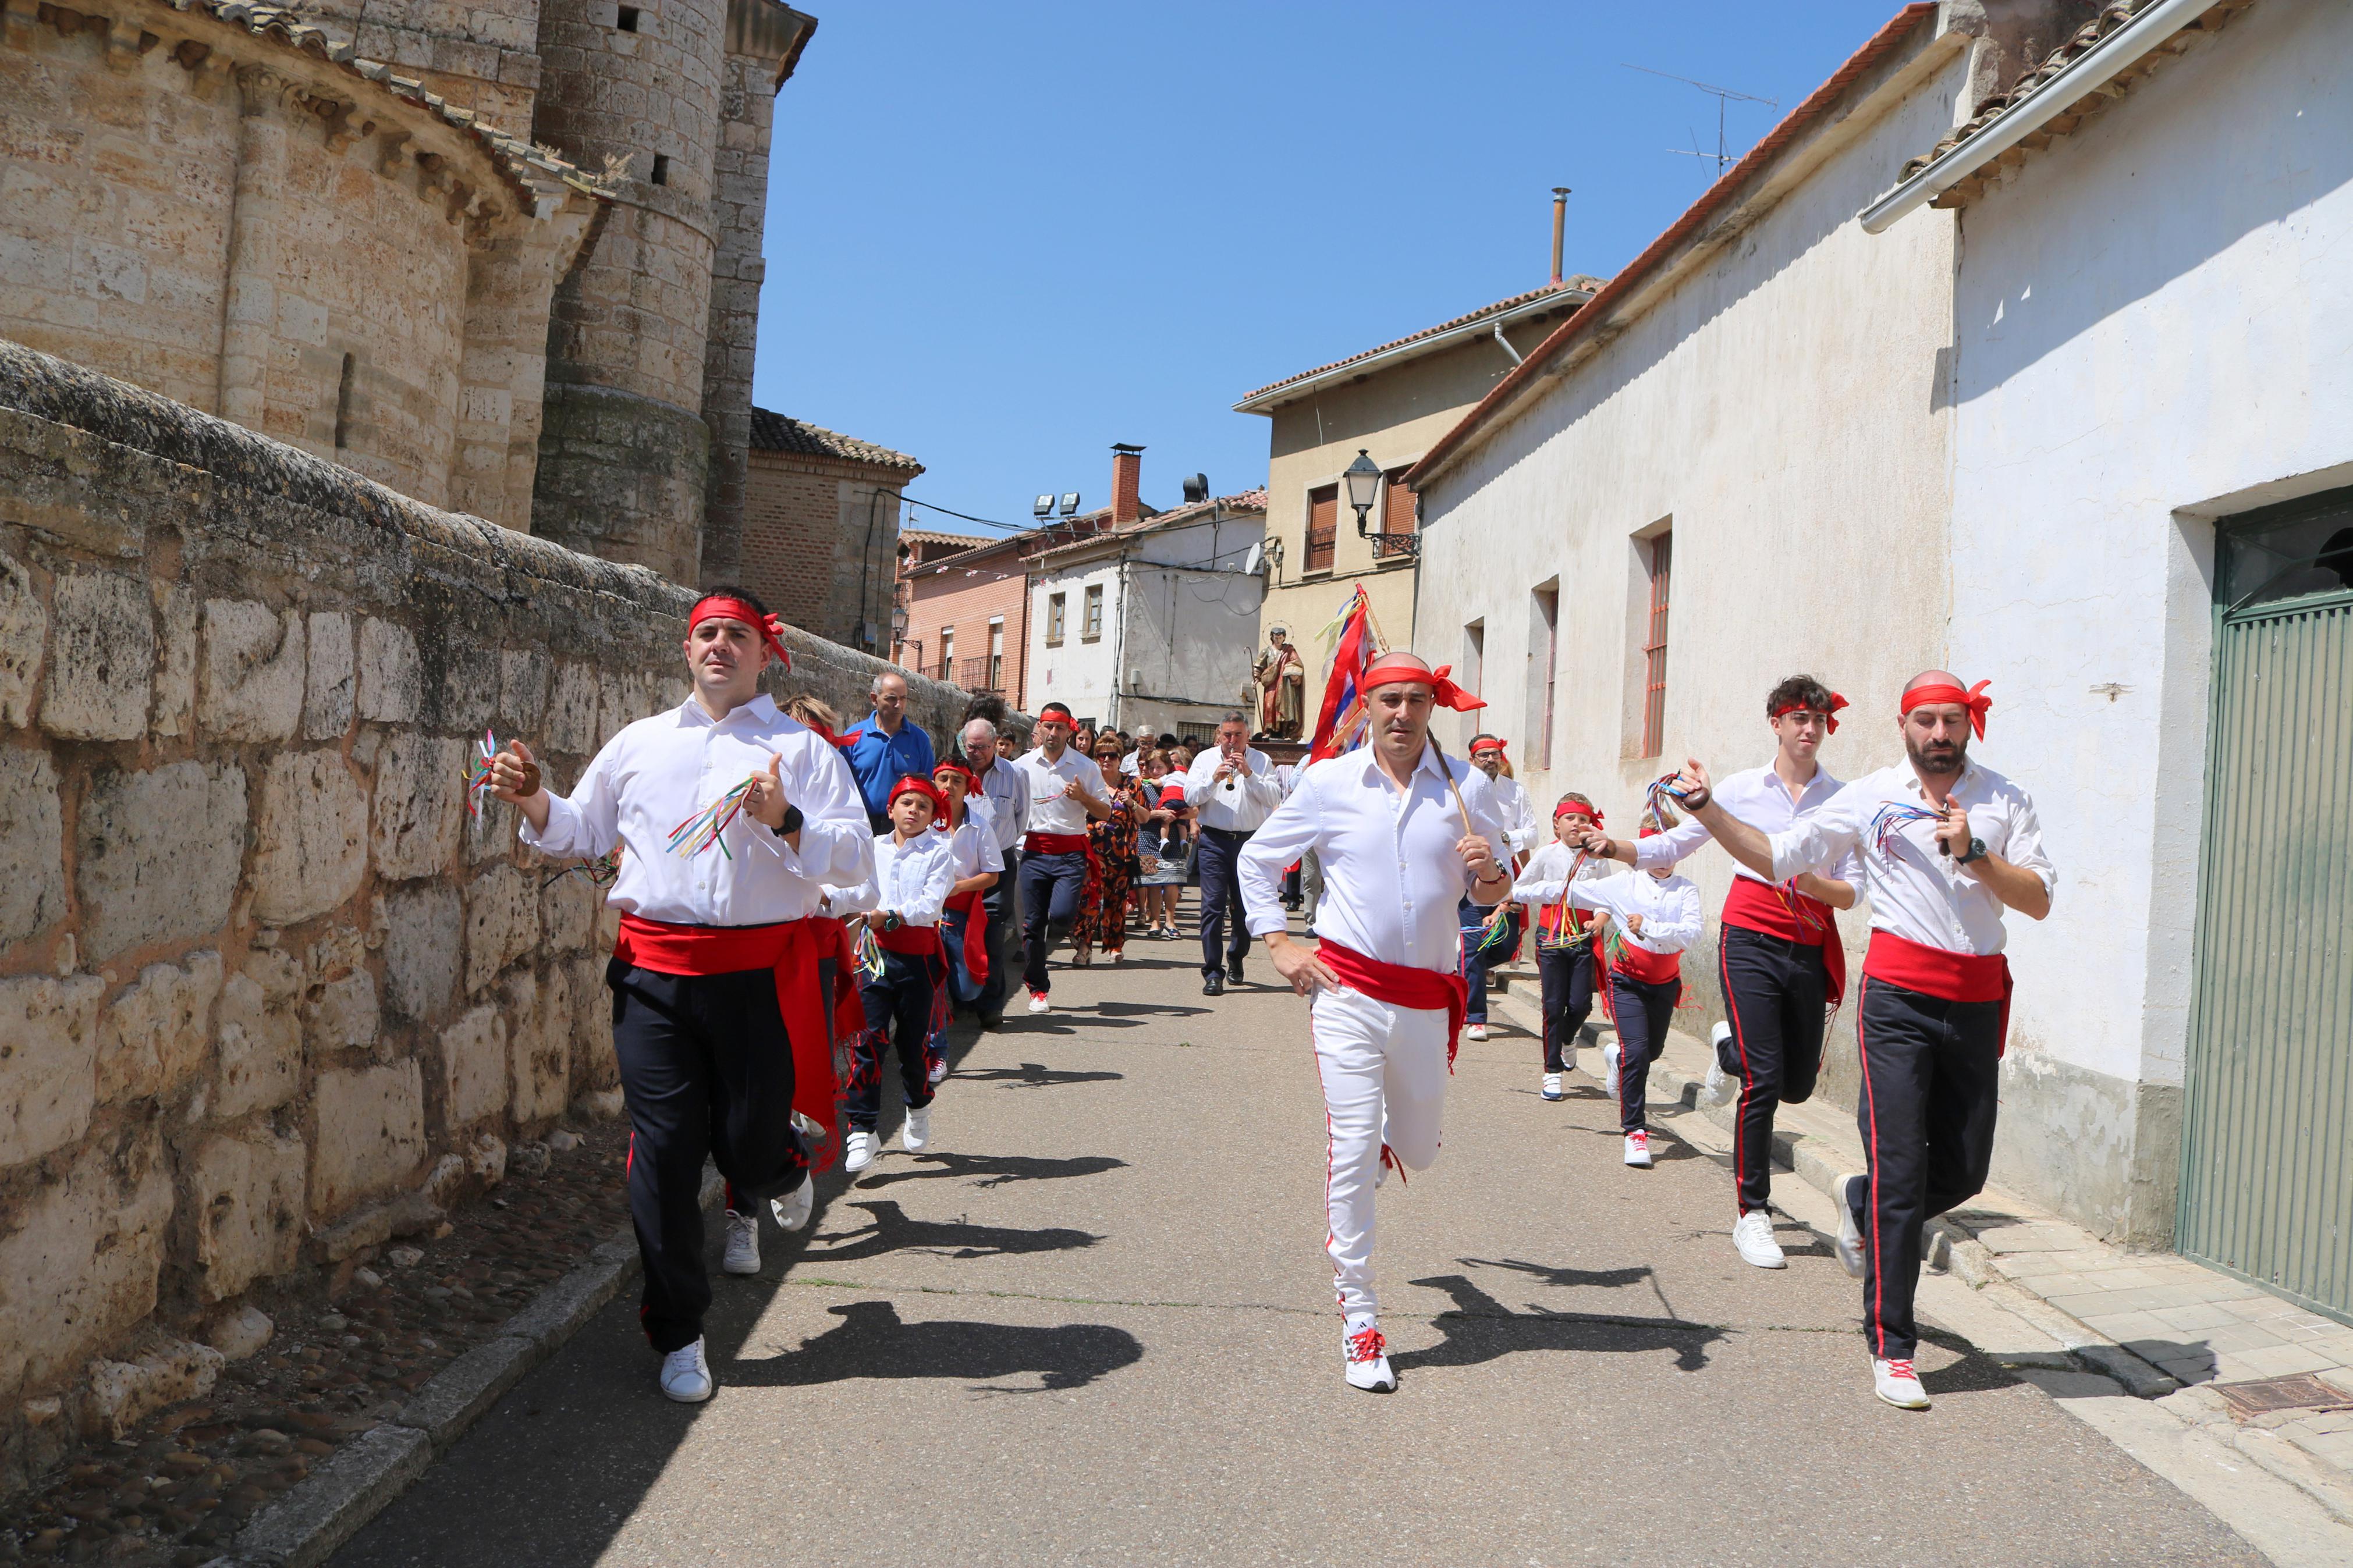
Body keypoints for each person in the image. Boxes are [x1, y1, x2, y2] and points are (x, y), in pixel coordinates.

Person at [491, 586, 870, 1405]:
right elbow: (579, 832)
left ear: (766, 651)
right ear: (685, 648)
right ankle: (679, 1332)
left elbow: (856, 866)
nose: (719, 647)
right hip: (652, 978)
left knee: (741, 1145)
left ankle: (777, 1163)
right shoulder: (638, 742)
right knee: (661, 1156)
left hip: (755, 979)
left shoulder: (800, 752)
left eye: (736, 634)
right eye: (706, 634)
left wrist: (789, 818)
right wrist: (530, 795)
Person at [1665, 671, 2054, 1411]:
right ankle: (1892, 1346)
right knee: (1903, 1171)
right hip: (1898, 1001)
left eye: (1951, 720)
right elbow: (1777, 855)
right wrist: (1707, 810)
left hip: (1975, 1002)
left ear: (1968, 724)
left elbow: (2036, 899)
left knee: (1964, 1171)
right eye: (1924, 721)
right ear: (1902, 725)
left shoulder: (2004, 798)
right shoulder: (1870, 795)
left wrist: (1975, 854)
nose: (1938, 733)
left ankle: (1859, 1198)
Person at [1236, 652, 1510, 1393]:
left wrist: (1488, 870)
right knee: (1350, 1145)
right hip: (1347, 991)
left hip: (1427, 998)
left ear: (1431, 708)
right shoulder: (1328, 783)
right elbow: (1257, 862)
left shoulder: (1467, 788)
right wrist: (1280, 942)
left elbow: (1493, 894)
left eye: (1415, 701)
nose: (1401, 713)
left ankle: (1395, 1141)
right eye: (1388, 699)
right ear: (1367, 706)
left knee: (1416, 1152)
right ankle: (1359, 1317)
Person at [1576, 675, 1859, 1271]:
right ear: (1776, 723)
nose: (1808, 729)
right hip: (1748, 935)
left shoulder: (1841, 798)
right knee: (1762, 1084)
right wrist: (1615, 847)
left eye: (1818, 719)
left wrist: (1805, 880)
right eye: (1797, 718)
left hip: (1807, 940)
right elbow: (1673, 845)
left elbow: (1850, 892)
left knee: (1796, 1085)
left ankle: (1726, 1045)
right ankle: (1751, 1212)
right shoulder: (1739, 790)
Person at [1518, 813, 1703, 1169]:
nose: (1663, 863)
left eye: (1670, 854)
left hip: (1665, 984)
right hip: (1627, 981)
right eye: (1655, 854)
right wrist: (1511, 891)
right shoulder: (1623, 883)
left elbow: (1692, 934)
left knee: (1649, 1053)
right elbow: (1563, 890)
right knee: (1637, 1054)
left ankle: (1617, 1061)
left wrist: (1650, 927)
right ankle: (1635, 1132)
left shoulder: (1686, 890)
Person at [836, 776, 960, 1174]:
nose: (913, 811)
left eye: (922, 806)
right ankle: (861, 1127)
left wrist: (890, 915)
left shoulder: (940, 852)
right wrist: (826, 897)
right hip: (873, 957)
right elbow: (856, 889)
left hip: (916, 960)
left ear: (933, 816)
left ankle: (918, 1104)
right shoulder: (872, 848)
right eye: (906, 803)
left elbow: (929, 905)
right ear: (890, 809)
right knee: (867, 1038)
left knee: (912, 1041)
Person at [1010, 702, 1113, 1013]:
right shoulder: (1022, 766)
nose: (1053, 733)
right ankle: (1038, 990)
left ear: (1070, 729)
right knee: (1032, 924)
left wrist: (1083, 798)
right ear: (1038, 729)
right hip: (1034, 850)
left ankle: (1065, 932)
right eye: (1047, 726)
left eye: (1059, 727)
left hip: (1070, 852)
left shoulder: (1085, 767)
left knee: (1063, 916)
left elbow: (1106, 812)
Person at [1508, 793, 1612, 1100]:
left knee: (1581, 1004)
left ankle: (1568, 1038)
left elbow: (1606, 899)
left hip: (1582, 938)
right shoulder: (1545, 855)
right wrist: (1552, 892)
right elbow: (1520, 889)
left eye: (1584, 820)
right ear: (1557, 825)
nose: (1577, 825)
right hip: (1551, 938)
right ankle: (1552, 1071)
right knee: (1553, 1005)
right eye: (1571, 819)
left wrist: (1600, 921)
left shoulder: (1598, 859)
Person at [1184, 713, 1283, 996]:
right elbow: (1191, 797)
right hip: (1214, 840)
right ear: (1219, 735)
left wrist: (1250, 775)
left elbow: (1274, 797)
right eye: (1227, 735)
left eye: (1238, 735)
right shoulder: (1204, 759)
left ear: (1247, 736)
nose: (1232, 741)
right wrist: (1213, 780)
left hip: (1250, 843)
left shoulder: (1261, 761)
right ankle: (1213, 971)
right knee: (1212, 907)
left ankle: (1237, 955)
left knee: (1243, 909)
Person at [924, 759, 1000, 1082]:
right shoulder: (921, 821)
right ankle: (936, 1054)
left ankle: (948, 1012)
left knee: (967, 990)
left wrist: (956, 887)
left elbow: (992, 875)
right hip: (924, 917)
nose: (949, 786)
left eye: (957, 780)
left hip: (960, 916)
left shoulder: (980, 826)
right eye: (943, 779)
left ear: (969, 788)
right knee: (933, 986)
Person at [1460, 735, 1540, 1041]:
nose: (1490, 760)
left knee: (1504, 945)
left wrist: (1506, 840)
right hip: (1469, 877)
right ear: (1472, 760)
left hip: (1505, 876)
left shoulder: (1515, 792)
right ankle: (1476, 1018)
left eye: (1495, 754)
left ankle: (1465, 966)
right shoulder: (1462, 789)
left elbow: (1531, 834)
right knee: (1473, 947)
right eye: (1483, 756)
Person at [958, 717, 1028, 1027]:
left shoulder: (1015, 774)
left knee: (993, 932)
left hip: (999, 864)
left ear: (995, 743)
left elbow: (1021, 818)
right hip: (961, 865)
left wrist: (1003, 848)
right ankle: (962, 998)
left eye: (983, 747)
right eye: (971, 747)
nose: (977, 753)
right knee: (956, 933)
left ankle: (991, 1004)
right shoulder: (956, 774)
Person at [1072, 730, 1144, 965]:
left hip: (1121, 854)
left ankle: (1115, 946)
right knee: (1089, 899)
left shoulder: (1132, 783)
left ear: (1120, 758)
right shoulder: (1090, 783)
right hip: (1093, 852)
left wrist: (1131, 804)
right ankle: (1084, 948)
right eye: (1101, 755)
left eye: (1112, 755)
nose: (1106, 760)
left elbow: (1145, 817)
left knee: (1117, 901)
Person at [843, 670, 935, 830]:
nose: (899, 705)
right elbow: (843, 783)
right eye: (891, 699)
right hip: (860, 824)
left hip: (902, 828)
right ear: (874, 699)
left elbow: (927, 786)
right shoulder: (853, 736)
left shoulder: (920, 740)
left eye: (903, 698)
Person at [1252, 624, 1307, 739]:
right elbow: (1258, 667)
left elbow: (1298, 664)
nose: (1278, 640)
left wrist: (1292, 671)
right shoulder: (1267, 651)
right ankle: (1269, 732)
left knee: (1286, 709)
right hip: (1272, 686)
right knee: (1270, 706)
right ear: (1272, 638)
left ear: (1284, 638)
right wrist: (1256, 679)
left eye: (1280, 638)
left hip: (1286, 687)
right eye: (1276, 638)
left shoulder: (1289, 651)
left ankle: (1286, 733)